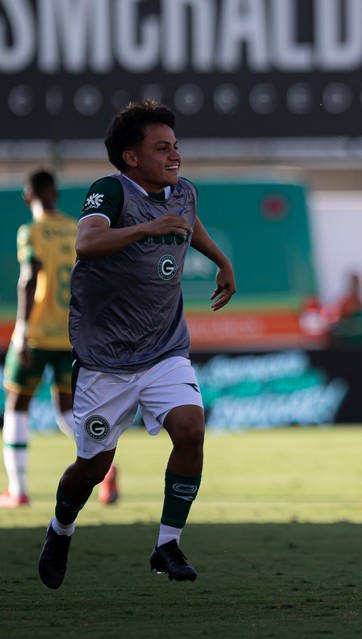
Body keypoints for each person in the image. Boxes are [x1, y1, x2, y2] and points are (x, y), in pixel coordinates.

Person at [37, 99, 237, 589]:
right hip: (105, 360)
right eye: (161, 148)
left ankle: (167, 544)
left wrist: (220, 260)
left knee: (191, 428)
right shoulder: (111, 190)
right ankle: (60, 529)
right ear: (131, 157)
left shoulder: (181, 192)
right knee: (93, 467)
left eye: (176, 147)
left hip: (165, 349)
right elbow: (87, 243)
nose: (174, 156)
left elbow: (187, 223)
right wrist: (147, 227)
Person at [1, 170, 78, 508]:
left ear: (26, 197)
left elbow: (29, 277)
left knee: (17, 405)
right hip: (71, 335)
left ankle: (18, 491)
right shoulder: (76, 229)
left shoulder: (30, 231)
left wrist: (21, 328)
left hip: (37, 334)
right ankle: (105, 468)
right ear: (56, 193)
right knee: (68, 410)